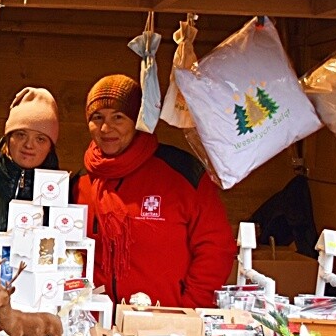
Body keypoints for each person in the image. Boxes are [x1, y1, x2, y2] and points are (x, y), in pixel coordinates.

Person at [73, 74, 235, 307]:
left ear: (137, 120)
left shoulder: (182, 173)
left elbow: (216, 248)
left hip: (166, 321)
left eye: (118, 117)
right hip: (94, 321)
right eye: (97, 117)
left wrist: (189, 309)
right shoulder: (79, 184)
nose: (106, 128)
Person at [0, 87, 60, 283]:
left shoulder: (60, 194)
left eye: (40, 139)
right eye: (20, 134)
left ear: (50, 146)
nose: (29, 145)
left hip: (37, 297)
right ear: (8, 137)